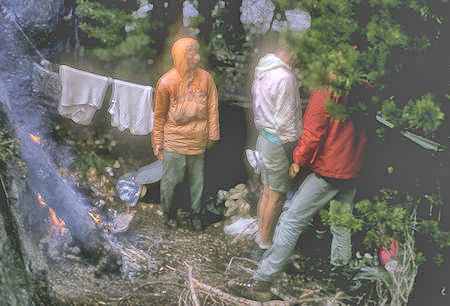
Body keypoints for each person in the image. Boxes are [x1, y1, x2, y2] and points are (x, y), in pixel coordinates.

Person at [230, 87, 367, 301]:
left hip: (329, 169)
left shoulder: (327, 85)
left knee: (290, 221)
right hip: (352, 167)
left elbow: (313, 130)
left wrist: (298, 161)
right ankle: (341, 285)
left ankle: (262, 282)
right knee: (342, 225)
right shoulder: (363, 81)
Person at [152, 37, 219, 230]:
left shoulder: (206, 79)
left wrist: (213, 135)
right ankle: (169, 215)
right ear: (181, 56)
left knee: (198, 182)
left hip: (198, 139)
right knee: (171, 181)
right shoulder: (166, 82)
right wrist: (157, 142)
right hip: (174, 140)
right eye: (192, 54)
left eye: (198, 53)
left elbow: (213, 108)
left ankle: (195, 216)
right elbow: (159, 116)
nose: (197, 58)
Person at [252, 39, 302, 252]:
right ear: (290, 51)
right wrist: (294, 150)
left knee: (266, 191)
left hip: (263, 137)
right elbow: (285, 121)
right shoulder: (285, 78)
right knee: (277, 194)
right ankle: (265, 243)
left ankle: (260, 235)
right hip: (277, 142)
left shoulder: (263, 71)